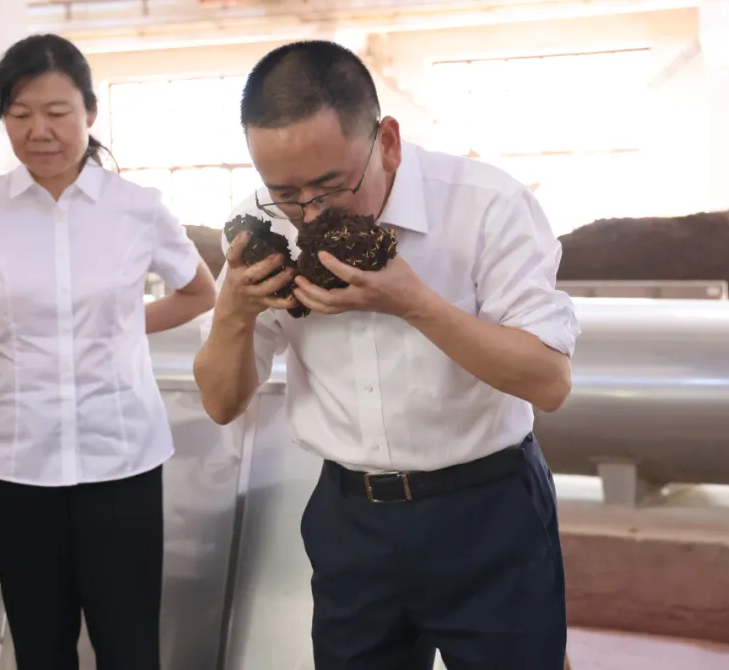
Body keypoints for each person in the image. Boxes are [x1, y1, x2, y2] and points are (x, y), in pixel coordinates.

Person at [194, 39, 580, 670]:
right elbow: (220, 401)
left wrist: (415, 303)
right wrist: (233, 313)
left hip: (486, 511)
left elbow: (550, 381)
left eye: (331, 186)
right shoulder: (258, 225)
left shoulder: (488, 205)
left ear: (389, 142)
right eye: (286, 193)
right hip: (351, 522)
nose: (310, 213)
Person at [0, 33, 216, 670]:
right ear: (3, 118)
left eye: (57, 112)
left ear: (90, 112)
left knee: (129, 646)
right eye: (20, 114)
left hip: (120, 462)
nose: (40, 131)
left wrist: (117, 324)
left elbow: (198, 292)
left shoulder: (137, 209)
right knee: (40, 646)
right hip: (14, 466)